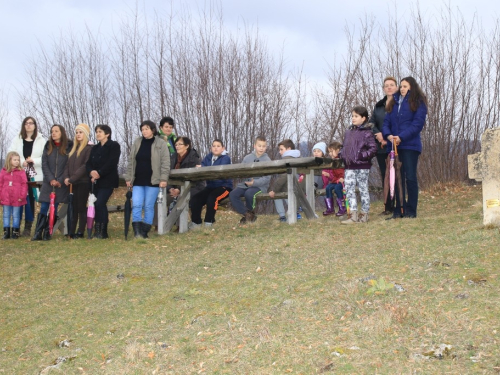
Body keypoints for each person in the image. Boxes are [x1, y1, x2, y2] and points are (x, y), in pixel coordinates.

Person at [383, 76, 428, 219]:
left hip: (410, 145)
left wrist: (401, 137)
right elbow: (386, 123)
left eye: (405, 86)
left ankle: (411, 210)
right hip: (394, 146)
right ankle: (398, 210)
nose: (402, 89)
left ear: (411, 88)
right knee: (396, 178)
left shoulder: (418, 103)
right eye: (401, 86)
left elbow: (417, 125)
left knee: (410, 178)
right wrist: (389, 135)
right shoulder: (393, 103)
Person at [125, 120, 170, 238]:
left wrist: (163, 178)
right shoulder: (137, 142)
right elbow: (131, 161)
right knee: (137, 204)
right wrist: (128, 177)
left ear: (153, 130)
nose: (144, 131)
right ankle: (137, 232)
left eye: (146, 129)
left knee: (149, 206)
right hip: (138, 180)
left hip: (153, 180)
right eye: (142, 129)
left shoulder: (161, 143)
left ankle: (145, 232)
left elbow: (165, 163)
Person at [8, 116, 46, 237]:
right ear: (24, 125)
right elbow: (10, 154)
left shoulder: (41, 140)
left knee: (30, 200)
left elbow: (45, 157)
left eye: (31, 123)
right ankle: (16, 226)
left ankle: (28, 227)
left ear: (35, 125)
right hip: (19, 173)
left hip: (33, 175)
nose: (29, 125)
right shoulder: (17, 139)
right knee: (17, 198)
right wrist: (21, 162)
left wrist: (33, 160)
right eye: (26, 123)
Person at [32, 125, 72, 240]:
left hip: (61, 184)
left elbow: (68, 165)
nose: (53, 133)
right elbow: (44, 163)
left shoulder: (69, 146)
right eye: (52, 131)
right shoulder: (48, 145)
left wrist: (59, 180)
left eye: (56, 131)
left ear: (62, 132)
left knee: (54, 207)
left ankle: (47, 232)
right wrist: (51, 179)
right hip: (48, 183)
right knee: (44, 206)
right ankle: (38, 233)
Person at [340, 106, 377, 224]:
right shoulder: (348, 132)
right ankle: (353, 214)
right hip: (349, 165)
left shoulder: (367, 133)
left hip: (362, 166)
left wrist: (361, 156)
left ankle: (364, 214)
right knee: (349, 189)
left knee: (363, 189)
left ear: (363, 118)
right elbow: (344, 147)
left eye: (356, 116)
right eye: (352, 116)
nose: (353, 118)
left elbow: (373, 149)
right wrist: (342, 154)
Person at [369, 76, 399, 215]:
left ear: (396, 87)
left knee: (397, 175)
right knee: (384, 175)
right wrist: (378, 135)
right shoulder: (379, 105)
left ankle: (398, 206)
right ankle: (388, 207)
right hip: (381, 146)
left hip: (396, 145)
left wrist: (390, 137)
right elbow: (372, 123)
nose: (389, 87)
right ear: (383, 88)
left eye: (392, 85)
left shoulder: (400, 104)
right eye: (386, 85)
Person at [86, 125, 121, 239]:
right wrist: (91, 172)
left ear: (107, 134)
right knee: (96, 204)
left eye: (100, 132)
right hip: (95, 182)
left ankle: (103, 231)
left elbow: (112, 162)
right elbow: (88, 163)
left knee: (101, 202)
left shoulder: (114, 145)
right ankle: (98, 230)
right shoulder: (94, 148)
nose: (98, 134)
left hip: (108, 180)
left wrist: (99, 173)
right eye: (96, 132)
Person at [189, 139, 232, 229]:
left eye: (218, 146)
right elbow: (202, 168)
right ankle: (196, 223)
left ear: (223, 148)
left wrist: (203, 167)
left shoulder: (226, 158)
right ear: (211, 148)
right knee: (195, 199)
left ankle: (209, 222)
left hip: (224, 187)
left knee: (212, 198)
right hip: (210, 187)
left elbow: (219, 169)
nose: (216, 148)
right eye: (214, 146)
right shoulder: (208, 157)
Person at [229, 136, 271, 224]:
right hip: (245, 184)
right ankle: (247, 214)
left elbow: (267, 178)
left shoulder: (267, 160)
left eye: (263, 146)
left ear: (266, 147)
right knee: (233, 194)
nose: (261, 148)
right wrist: (246, 179)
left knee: (249, 193)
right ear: (254, 146)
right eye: (259, 146)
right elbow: (241, 171)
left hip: (259, 186)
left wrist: (254, 183)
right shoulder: (247, 158)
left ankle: (249, 215)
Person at [63, 123, 92, 239]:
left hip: (82, 182)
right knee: (73, 208)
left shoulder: (89, 149)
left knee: (81, 207)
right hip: (72, 183)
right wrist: (66, 178)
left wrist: (73, 178)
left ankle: (80, 231)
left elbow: (85, 166)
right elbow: (66, 166)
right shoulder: (73, 150)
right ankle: (71, 230)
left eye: (81, 132)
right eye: (77, 132)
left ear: (85, 134)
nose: (78, 135)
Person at [268, 139, 302, 222]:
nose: (280, 152)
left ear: (289, 149)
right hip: (295, 186)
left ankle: (289, 213)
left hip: (292, 187)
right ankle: (294, 211)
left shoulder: (287, 159)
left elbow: (283, 177)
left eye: (281, 149)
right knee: (279, 190)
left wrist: (274, 189)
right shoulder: (297, 157)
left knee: (276, 192)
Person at [166, 137, 204, 206]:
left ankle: (174, 216)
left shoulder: (193, 158)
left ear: (187, 146)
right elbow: (168, 176)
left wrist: (179, 190)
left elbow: (194, 179)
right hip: (175, 190)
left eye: (180, 144)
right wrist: (170, 189)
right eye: (176, 145)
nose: (177, 146)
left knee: (179, 201)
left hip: (192, 189)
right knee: (159, 199)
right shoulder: (173, 158)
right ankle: (161, 217)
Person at [0, 151, 28, 239]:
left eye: (18, 160)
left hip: (17, 198)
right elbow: (0, 184)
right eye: (14, 160)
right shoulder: (3, 171)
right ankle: (6, 232)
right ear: (9, 160)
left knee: (16, 214)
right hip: (6, 197)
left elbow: (24, 184)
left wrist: (22, 196)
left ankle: (15, 231)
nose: (16, 161)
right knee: (6, 214)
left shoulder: (21, 172)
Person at [323, 142, 346, 216]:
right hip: (336, 180)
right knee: (328, 188)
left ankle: (342, 207)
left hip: (342, 180)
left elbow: (344, 170)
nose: (330, 154)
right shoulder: (333, 161)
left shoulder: (341, 159)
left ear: (338, 150)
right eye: (329, 152)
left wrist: (343, 177)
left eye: (331, 151)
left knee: (337, 188)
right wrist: (331, 176)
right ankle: (330, 208)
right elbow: (334, 174)